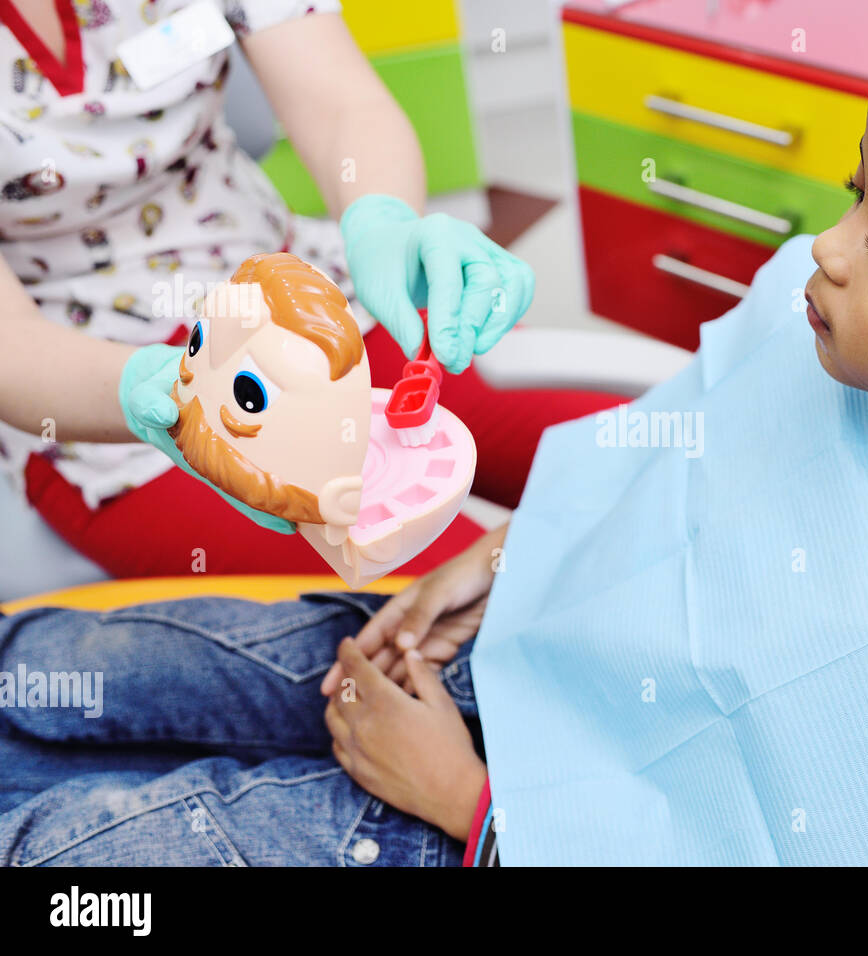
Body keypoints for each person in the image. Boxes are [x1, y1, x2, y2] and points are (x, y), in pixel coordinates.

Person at [0, 0, 868, 865]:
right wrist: (499, 561)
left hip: (480, 822)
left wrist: (469, 801)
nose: (821, 252)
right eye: (851, 193)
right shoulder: (823, 334)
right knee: (107, 664)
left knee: (95, 848)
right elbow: (665, 455)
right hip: (499, 647)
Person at [0, 0, 618, 596]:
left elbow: (339, 103)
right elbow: (14, 347)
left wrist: (383, 219)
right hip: (101, 390)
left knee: (632, 460)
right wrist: (157, 395)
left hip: (304, 298)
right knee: (477, 599)